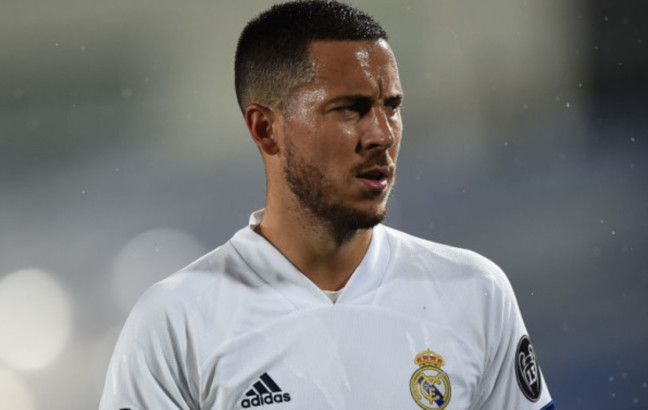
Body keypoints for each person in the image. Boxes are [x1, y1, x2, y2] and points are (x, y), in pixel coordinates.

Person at [100, 1, 555, 409]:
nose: (382, 135)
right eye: (350, 109)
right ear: (265, 129)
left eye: (391, 106)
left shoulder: (474, 292)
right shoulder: (177, 322)